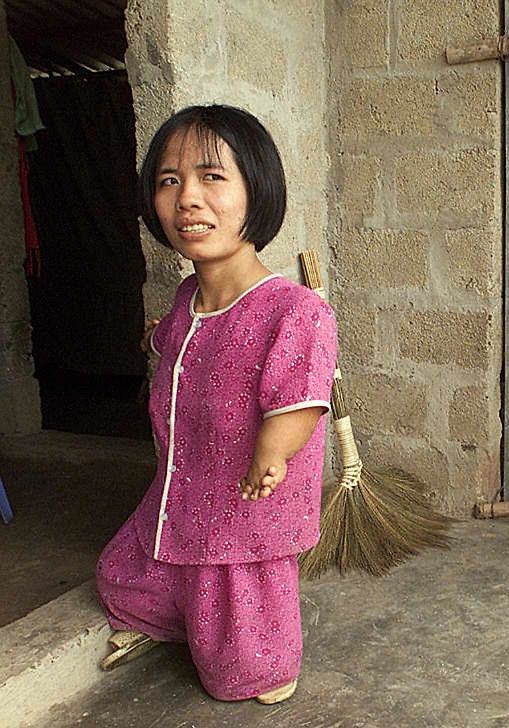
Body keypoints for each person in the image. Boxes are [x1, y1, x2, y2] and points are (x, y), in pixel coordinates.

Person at [95, 105, 337, 703]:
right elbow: (176, 346)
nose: (187, 200)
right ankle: (180, 619)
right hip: (184, 489)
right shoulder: (186, 300)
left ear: (259, 192)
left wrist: (273, 452)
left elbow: (302, 400)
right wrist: (160, 337)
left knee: (238, 664)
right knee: (119, 576)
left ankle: (262, 662)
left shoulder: (294, 311)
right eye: (169, 181)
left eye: (212, 177)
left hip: (240, 504)